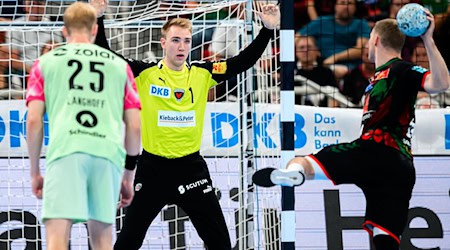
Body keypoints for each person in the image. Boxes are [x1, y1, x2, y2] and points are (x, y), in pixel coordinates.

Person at [90, 0, 279, 249]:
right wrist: (99, 18)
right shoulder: (144, 74)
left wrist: (266, 29)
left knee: (220, 243)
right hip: (152, 169)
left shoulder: (203, 72)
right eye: (176, 40)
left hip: (190, 169)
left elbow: (242, 62)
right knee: (128, 242)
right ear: (163, 43)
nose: (182, 47)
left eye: (187, 41)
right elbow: (107, 59)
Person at [253, 14, 450, 250]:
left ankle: (294, 172)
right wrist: (427, 40)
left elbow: (440, 84)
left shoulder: (401, 69)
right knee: (385, 238)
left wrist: (428, 40)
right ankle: (296, 173)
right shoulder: (385, 75)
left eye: (368, 39)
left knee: (304, 161)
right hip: (400, 166)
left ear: (375, 40)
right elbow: (439, 85)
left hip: (370, 150)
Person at [25, 2, 141, 249]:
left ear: (64, 31)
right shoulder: (119, 66)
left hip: (66, 151)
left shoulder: (46, 63)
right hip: (107, 154)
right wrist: (128, 176)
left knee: (57, 240)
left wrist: (35, 171)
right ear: (95, 30)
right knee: (102, 242)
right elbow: (134, 127)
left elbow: (34, 120)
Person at [298, 0, 371, 79]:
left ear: (355, 7)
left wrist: (335, 57)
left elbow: (360, 49)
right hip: (321, 68)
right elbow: (296, 39)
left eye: (350, 3)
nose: (346, 7)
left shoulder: (361, 24)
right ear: (335, 6)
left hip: (352, 71)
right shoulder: (321, 22)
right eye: (342, 3)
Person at [294, 35, 338, 107]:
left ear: (316, 50)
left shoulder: (326, 72)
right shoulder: (288, 72)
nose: (305, 50)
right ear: (296, 52)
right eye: (302, 47)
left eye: (309, 47)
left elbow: (335, 98)